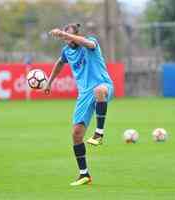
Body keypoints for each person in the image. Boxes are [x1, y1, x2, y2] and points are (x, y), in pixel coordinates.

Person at [44, 23, 114, 186]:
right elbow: (59, 64)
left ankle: (99, 134)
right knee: (76, 134)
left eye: (69, 36)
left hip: (103, 85)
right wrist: (49, 83)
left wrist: (63, 34)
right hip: (83, 95)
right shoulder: (67, 51)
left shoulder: (89, 43)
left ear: (77, 35)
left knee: (99, 91)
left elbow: (87, 43)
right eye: (65, 38)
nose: (67, 40)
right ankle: (84, 174)